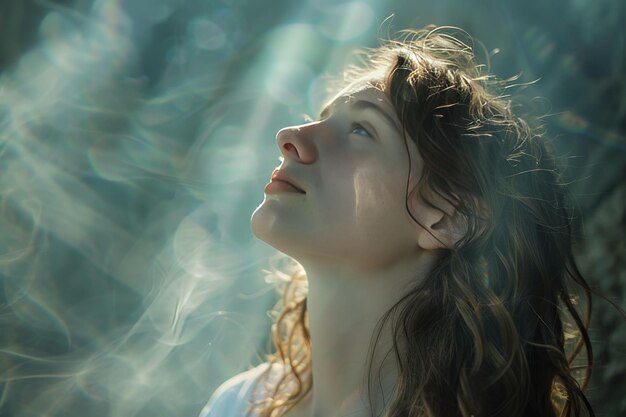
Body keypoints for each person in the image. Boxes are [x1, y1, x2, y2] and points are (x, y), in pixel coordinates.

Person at [200, 25, 602, 417]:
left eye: (361, 129)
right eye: (321, 117)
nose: (290, 136)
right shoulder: (237, 403)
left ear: (448, 218)